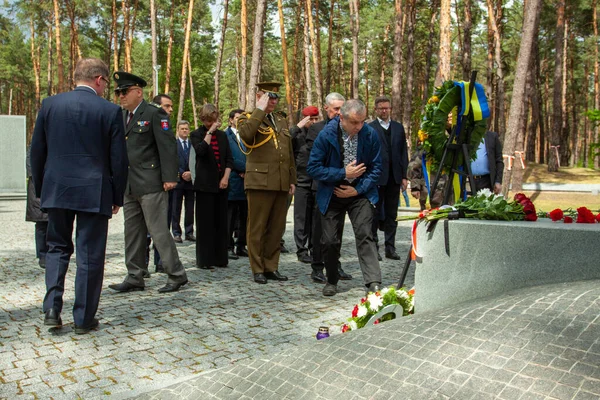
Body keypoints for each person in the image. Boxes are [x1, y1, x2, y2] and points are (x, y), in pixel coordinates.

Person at [30, 58, 128, 334]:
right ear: (99, 79)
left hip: (58, 190)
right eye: (107, 82)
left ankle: (52, 308)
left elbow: (37, 151)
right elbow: (119, 160)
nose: (107, 87)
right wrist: (117, 196)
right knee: (89, 255)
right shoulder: (109, 111)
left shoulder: (50, 105)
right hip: (94, 192)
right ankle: (83, 318)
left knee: (57, 249)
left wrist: (42, 189)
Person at [108, 72, 188, 294]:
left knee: (158, 230)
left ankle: (177, 274)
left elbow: (167, 147)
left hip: (152, 183)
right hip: (129, 184)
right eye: (117, 92)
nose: (120, 96)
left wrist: (170, 177)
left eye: (124, 92)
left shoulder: (155, 114)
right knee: (132, 232)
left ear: (138, 92)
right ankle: (135, 275)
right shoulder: (121, 115)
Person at [307, 99, 383, 296]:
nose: (359, 127)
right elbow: (313, 168)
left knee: (365, 233)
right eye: (354, 122)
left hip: (360, 193)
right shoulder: (326, 135)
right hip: (332, 194)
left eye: (362, 122)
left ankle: (373, 281)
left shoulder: (370, 134)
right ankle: (331, 279)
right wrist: (342, 173)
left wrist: (357, 190)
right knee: (330, 241)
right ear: (341, 118)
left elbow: (376, 169)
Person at [237, 81, 296, 284]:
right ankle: (257, 268)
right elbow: (246, 135)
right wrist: (259, 110)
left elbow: (288, 153)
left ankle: (271, 266)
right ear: (259, 96)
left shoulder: (280, 120)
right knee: (257, 227)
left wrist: (292, 179)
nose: (273, 101)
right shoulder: (248, 118)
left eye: (275, 97)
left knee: (276, 227)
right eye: (269, 97)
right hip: (259, 181)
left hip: (280, 181)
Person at [303, 93, 352, 283]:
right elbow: (314, 161)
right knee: (319, 230)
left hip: (342, 186)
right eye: (336, 109)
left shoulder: (347, 129)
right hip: (321, 186)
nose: (340, 113)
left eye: (342, 108)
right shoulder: (316, 129)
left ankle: (335, 265)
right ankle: (317, 267)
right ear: (327, 109)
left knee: (336, 230)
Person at [190, 104, 233, 269]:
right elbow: (200, 151)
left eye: (213, 121)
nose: (211, 123)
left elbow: (229, 159)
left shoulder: (222, 136)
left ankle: (220, 258)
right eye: (208, 121)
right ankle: (205, 260)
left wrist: (226, 177)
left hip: (221, 184)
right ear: (203, 120)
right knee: (205, 224)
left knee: (221, 222)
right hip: (204, 185)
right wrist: (208, 133)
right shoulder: (196, 134)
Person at [369, 96, 409, 261]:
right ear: (376, 110)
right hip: (377, 177)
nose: (384, 111)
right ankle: (374, 249)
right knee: (375, 214)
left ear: (390, 109)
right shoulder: (370, 128)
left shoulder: (398, 128)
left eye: (387, 108)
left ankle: (390, 248)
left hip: (394, 177)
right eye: (381, 108)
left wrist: (404, 176)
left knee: (392, 214)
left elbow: (403, 153)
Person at [291, 105, 320, 264]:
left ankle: (314, 248)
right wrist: (297, 127)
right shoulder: (296, 134)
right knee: (301, 217)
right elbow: (286, 140)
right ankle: (301, 250)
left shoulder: (320, 133)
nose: (314, 122)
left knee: (315, 218)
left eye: (316, 119)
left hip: (316, 181)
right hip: (301, 181)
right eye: (311, 119)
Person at [225, 108, 248, 260]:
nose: (241, 120)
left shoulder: (248, 135)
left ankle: (241, 245)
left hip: (247, 181)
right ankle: (228, 246)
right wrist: (243, 169)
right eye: (238, 118)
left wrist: (249, 171)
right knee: (230, 216)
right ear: (231, 119)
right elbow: (229, 156)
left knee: (245, 216)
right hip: (232, 179)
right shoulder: (225, 135)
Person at [171, 120, 195, 243]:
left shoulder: (192, 144)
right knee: (176, 208)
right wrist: (181, 173)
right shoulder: (173, 144)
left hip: (190, 181)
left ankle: (189, 232)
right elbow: (172, 161)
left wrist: (191, 173)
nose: (184, 131)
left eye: (186, 128)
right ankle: (176, 233)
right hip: (178, 181)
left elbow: (196, 160)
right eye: (182, 129)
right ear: (178, 130)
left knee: (190, 208)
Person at [25, 146, 48, 269]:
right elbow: (30, 163)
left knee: (53, 223)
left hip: (51, 183)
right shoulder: (35, 144)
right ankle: (42, 253)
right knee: (41, 223)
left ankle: (51, 251)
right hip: (37, 186)